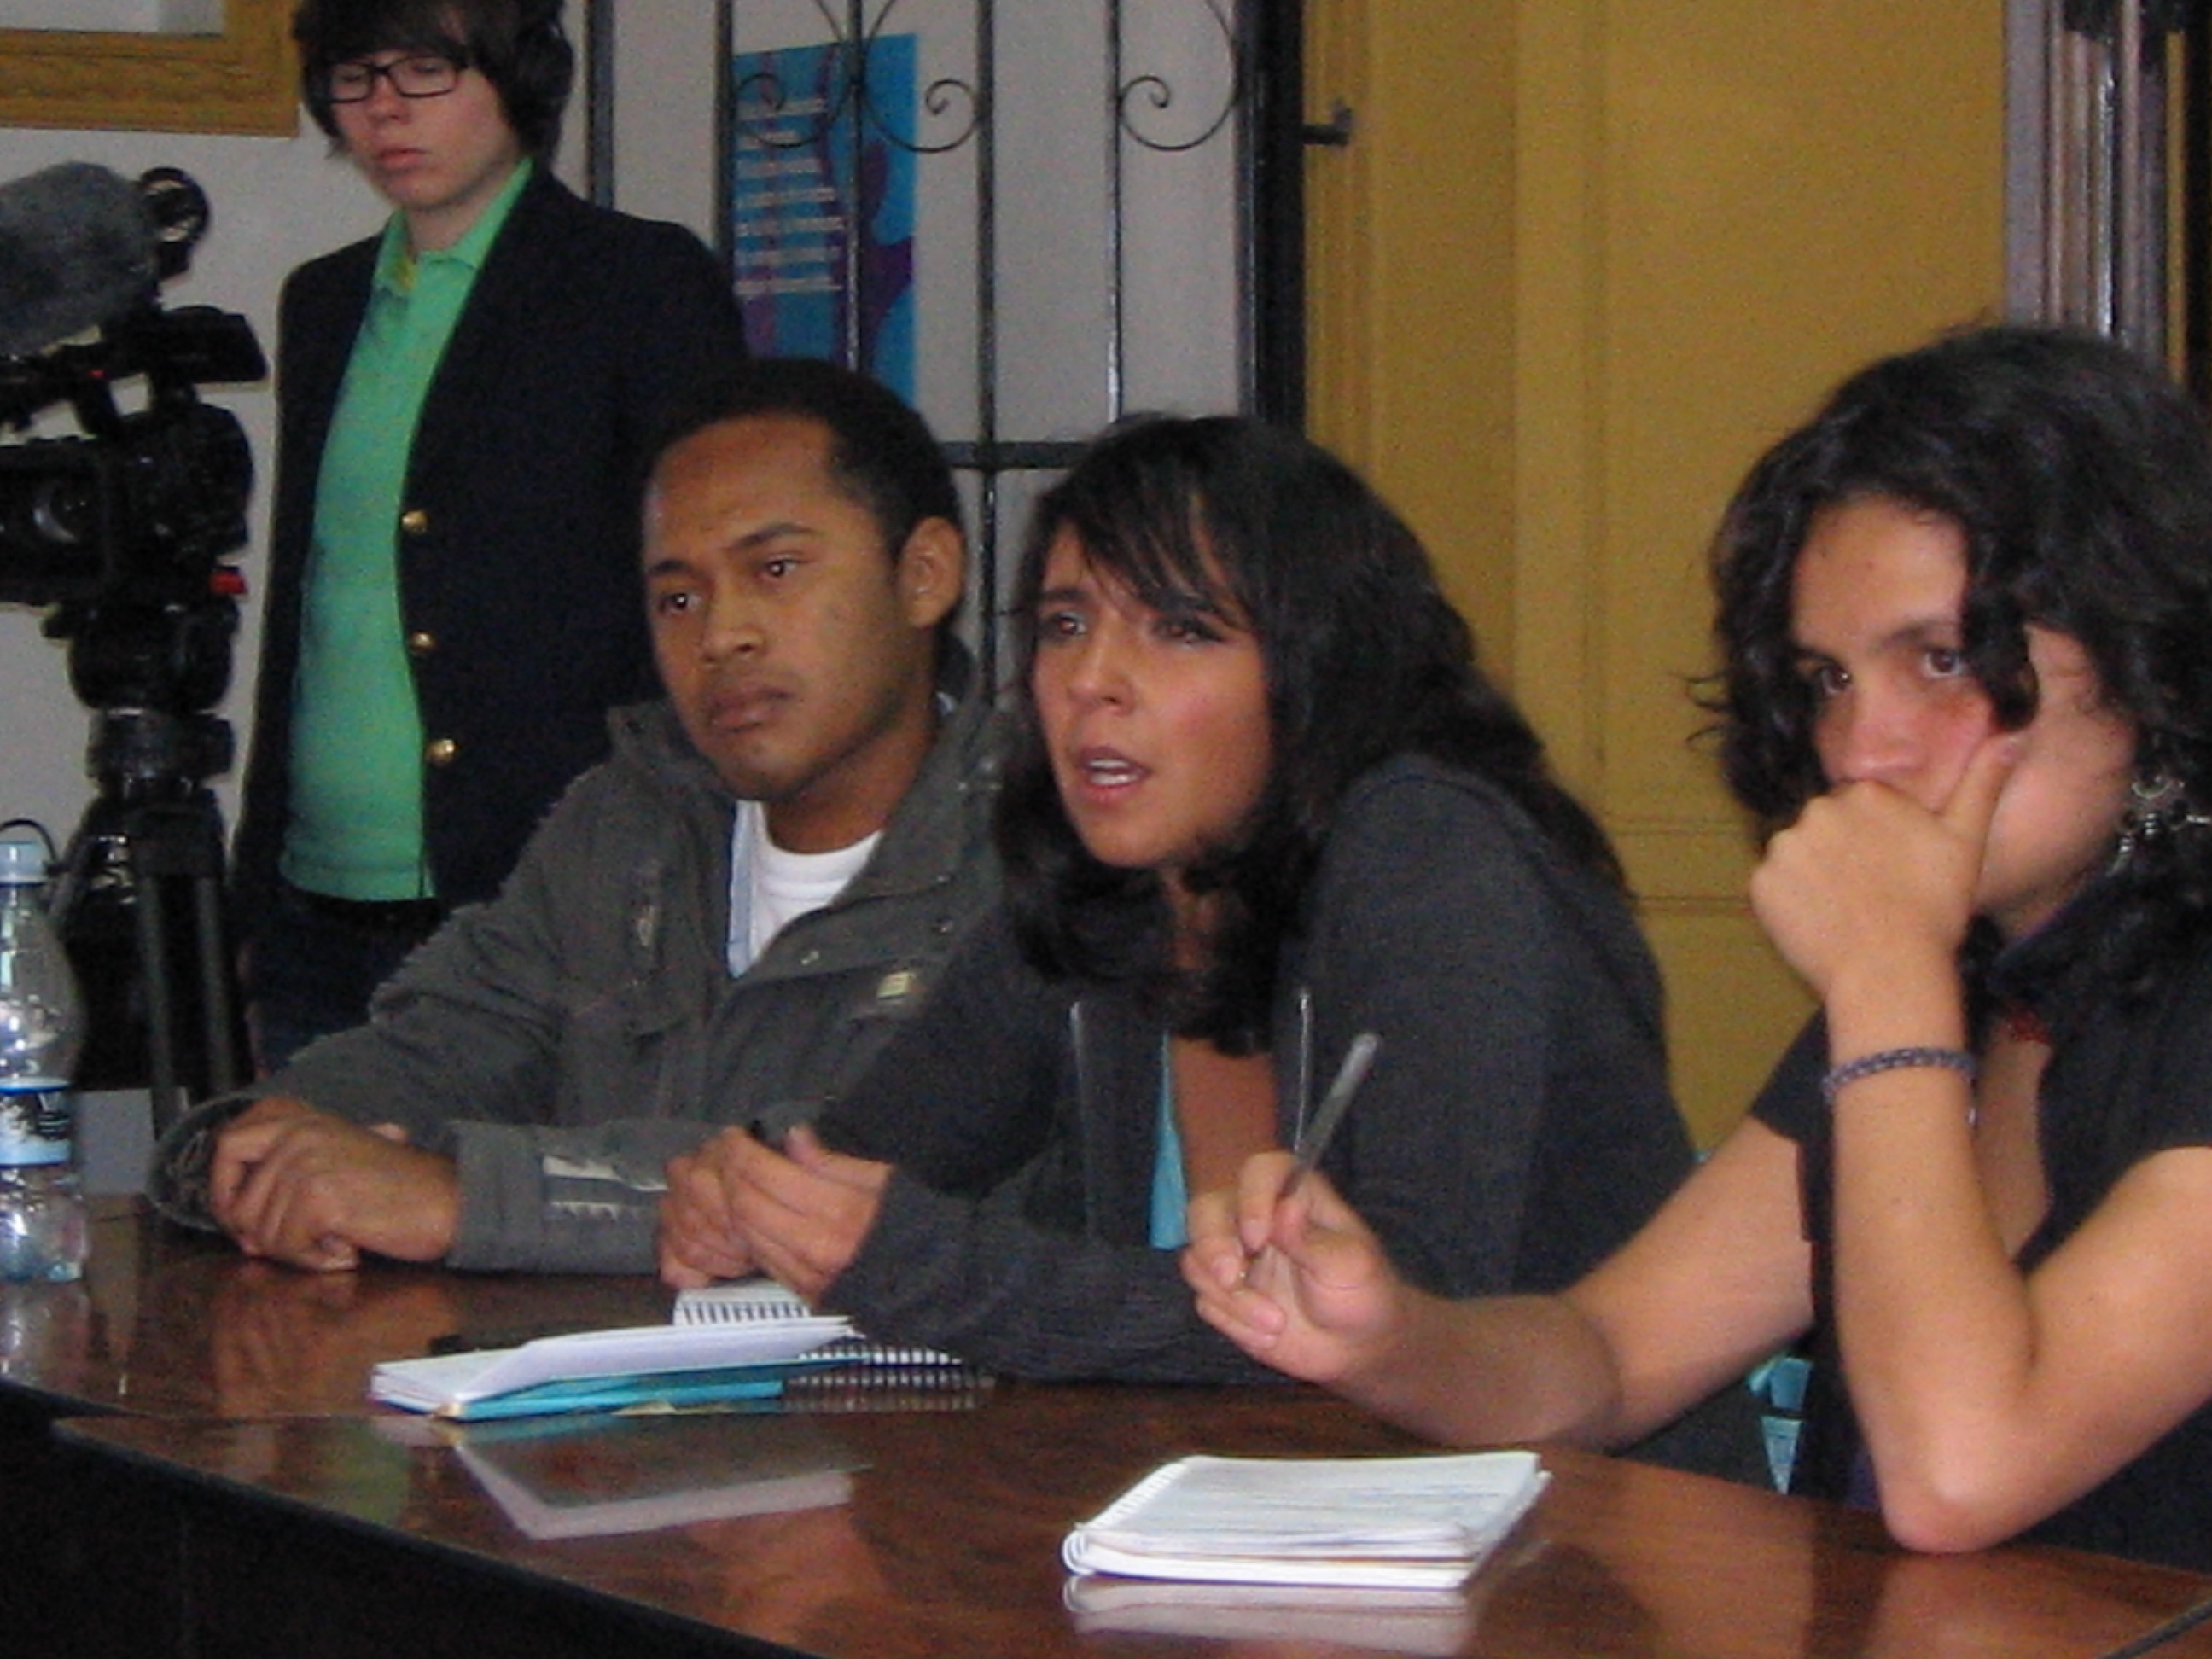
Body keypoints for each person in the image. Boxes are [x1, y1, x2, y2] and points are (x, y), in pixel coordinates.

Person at [1185, 323, 2212, 1571]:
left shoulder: (1918, 987)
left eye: (1943, 660)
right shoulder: (1960, 982)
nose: (1862, 751)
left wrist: (1886, 980)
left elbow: (1957, 1472)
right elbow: (1612, 1356)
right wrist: (1391, 1338)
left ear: (2149, 661)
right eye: (1828, 680)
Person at [657, 416, 1749, 1476]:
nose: (1093, 679)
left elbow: (1401, 1310)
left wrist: (928, 1264)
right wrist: (751, 1203)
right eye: (1066, 625)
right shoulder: (1107, 891)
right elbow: (861, 1159)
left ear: (1316, 664)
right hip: (1251, 1518)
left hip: (1592, 1534)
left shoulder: (1431, 854)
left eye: (1180, 630)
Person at [150, 357, 1000, 1275]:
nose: (722, 635)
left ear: (924, 575)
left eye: (777, 568)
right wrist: (258, 1146)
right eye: (678, 597)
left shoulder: (1036, 852)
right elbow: (447, 1045)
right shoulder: (634, 820)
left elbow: (849, 1183)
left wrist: (464, 1198)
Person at [231, 0, 748, 1068]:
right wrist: (254, 888)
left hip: (543, 898)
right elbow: (305, 600)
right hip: (314, 899)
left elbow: (708, 586)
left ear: (518, 78)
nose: (384, 109)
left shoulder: (634, 281)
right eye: (355, 76)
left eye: (425, 69)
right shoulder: (325, 301)